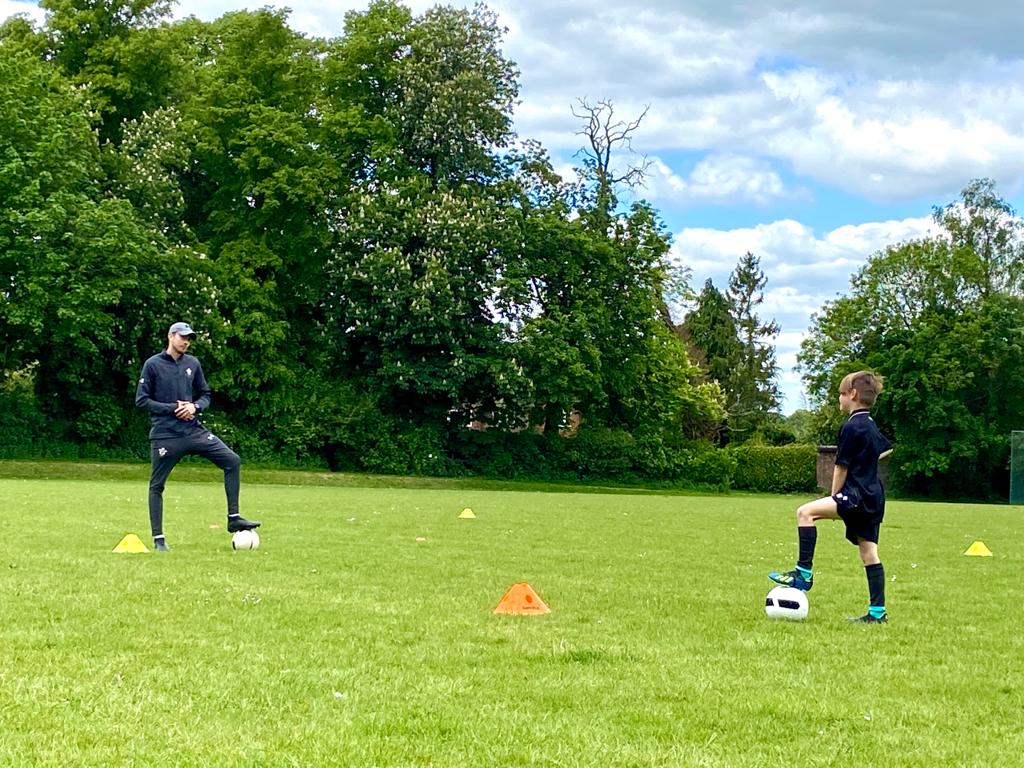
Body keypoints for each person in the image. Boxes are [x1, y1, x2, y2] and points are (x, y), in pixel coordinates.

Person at [769, 370, 893, 623]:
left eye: (841, 393)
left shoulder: (851, 426)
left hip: (855, 495)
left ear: (853, 394)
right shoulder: (870, 424)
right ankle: (877, 613)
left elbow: (840, 467)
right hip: (874, 496)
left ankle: (803, 574)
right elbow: (886, 449)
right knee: (869, 553)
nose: (839, 398)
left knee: (805, 512)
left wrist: (835, 497)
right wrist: (866, 463)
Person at [135, 322, 260, 551]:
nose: (186, 342)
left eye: (189, 338)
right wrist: (173, 408)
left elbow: (205, 395)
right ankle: (159, 540)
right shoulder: (152, 364)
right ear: (171, 336)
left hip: (193, 430)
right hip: (166, 434)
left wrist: (195, 407)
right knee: (157, 486)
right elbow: (142, 400)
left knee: (232, 460)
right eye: (182, 337)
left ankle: (233, 518)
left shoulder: (193, 363)